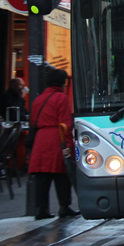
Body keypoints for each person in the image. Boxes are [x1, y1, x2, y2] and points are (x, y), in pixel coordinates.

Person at [27, 68, 79, 220]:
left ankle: (40, 208)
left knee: (43, 176)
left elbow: (33, 121)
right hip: (57, 137)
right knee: (62, 174)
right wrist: (68, 144)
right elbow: (65, 123)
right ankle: (64, 206)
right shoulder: (61, 98)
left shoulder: (38, 99)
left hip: (40, 139)